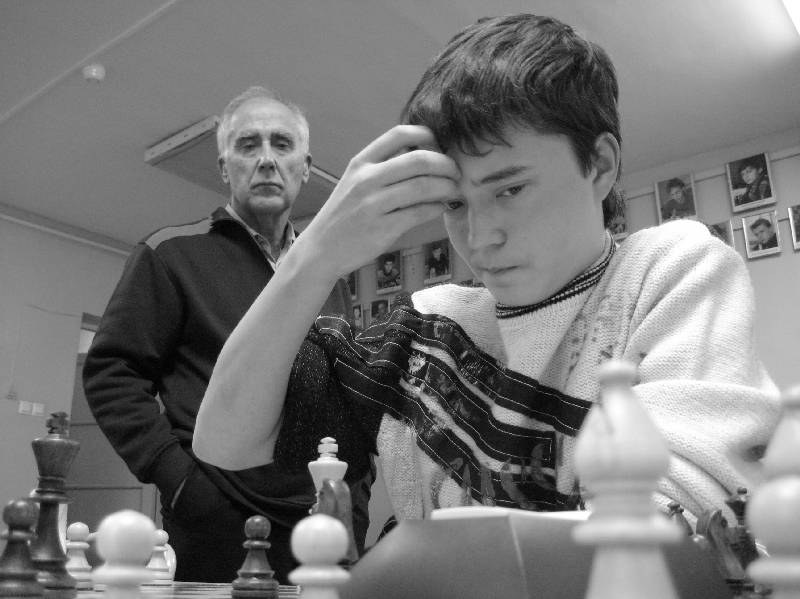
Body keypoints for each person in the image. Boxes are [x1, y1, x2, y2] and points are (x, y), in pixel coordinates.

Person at [193, 15, 780, 527]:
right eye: (455, 203)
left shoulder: (670, 273)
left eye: (510, 189)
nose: (479, 236)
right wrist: (312, 256)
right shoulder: (426, 330)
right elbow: (226, 442)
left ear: (600, 165)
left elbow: (672, 521)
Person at [82, 86, 374, 583]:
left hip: (324, 522)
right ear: (224, 168)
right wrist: (181, 484)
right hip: (216, 520)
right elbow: (112, 374)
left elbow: (345, 399)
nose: (266, 160)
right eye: (248, 145)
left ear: (305, 168)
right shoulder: (171, 253)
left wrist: (357, 493)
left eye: (282, 144)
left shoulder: (329, 278)